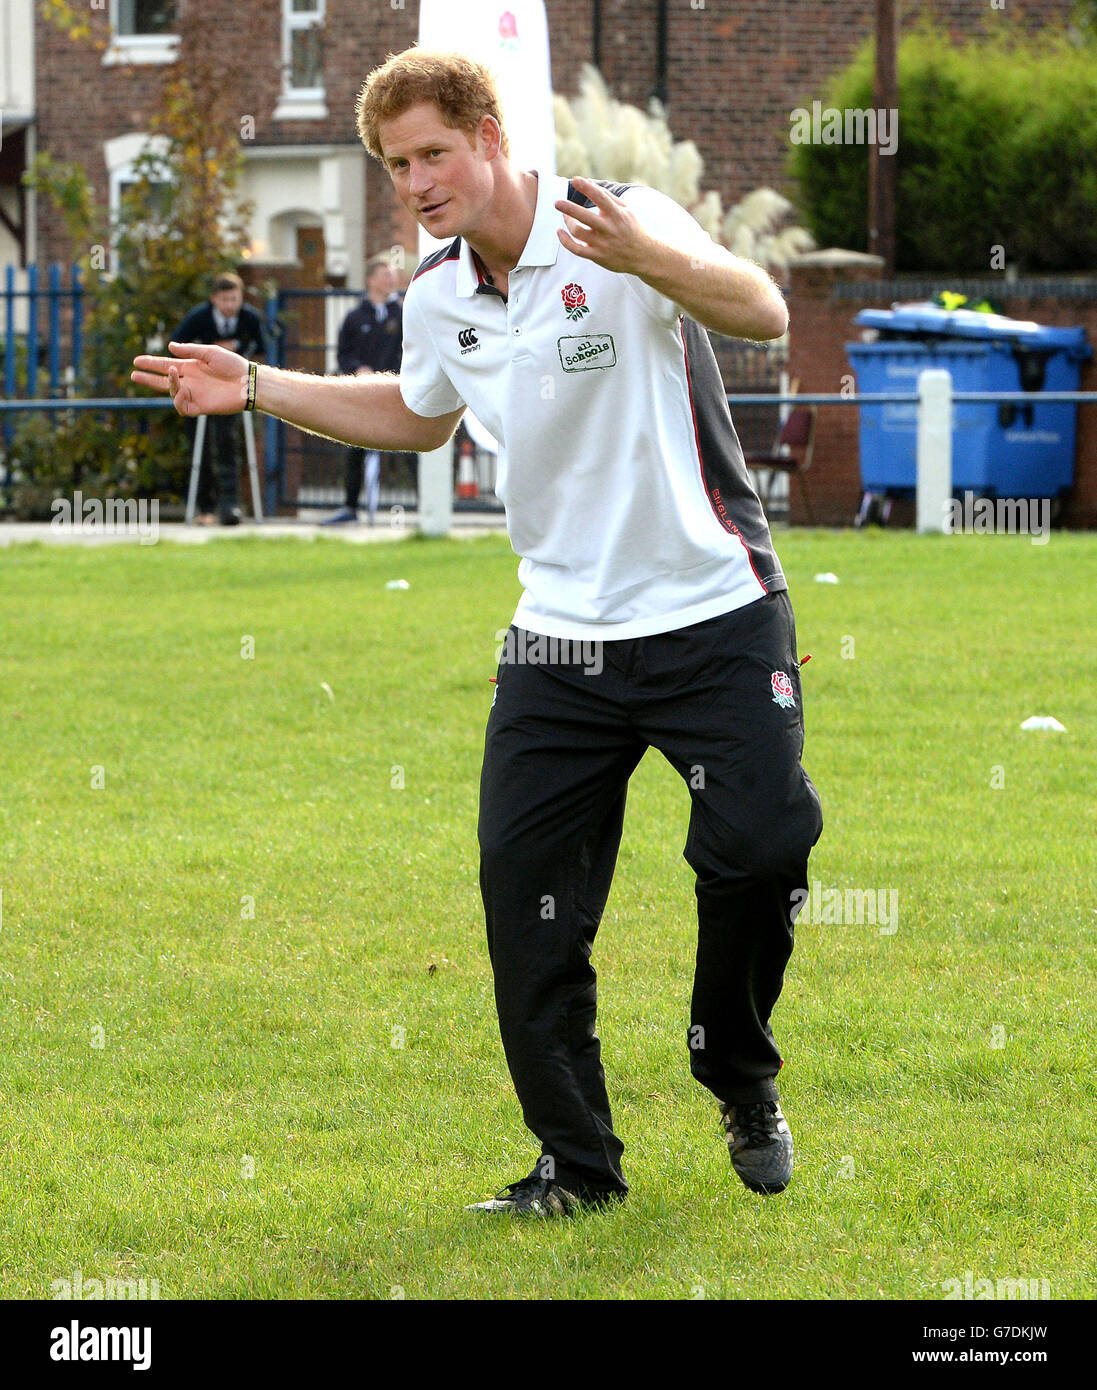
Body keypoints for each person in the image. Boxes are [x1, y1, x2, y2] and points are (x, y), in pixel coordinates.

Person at [132, 48, 823, 1219]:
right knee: (525, 901)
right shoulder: (439, 294)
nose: (414, 181)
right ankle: (578, 1168)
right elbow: (413, 412)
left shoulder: (610, 219)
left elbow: (758, 310)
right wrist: (254, 384)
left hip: (711, 607)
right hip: (556, 639)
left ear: (490, 135)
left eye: (432, 154)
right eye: (396, 165)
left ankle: (737, 1072)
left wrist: (648, 256)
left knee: (761, 849)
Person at [171, 272, 266, 525]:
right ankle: (205, 508)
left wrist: (238, 353)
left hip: (231, 390)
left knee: (228, 444)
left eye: (234, 299)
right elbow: (176, 345)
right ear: (214, 299)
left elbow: (261, 349)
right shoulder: (198, 318)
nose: (229, 305)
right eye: (224, 299)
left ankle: (230, 506)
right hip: (199, 388)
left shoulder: (250, 319)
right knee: (199, 446)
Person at [325, 255, 405, 525]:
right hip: (362, 395)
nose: (391, 280)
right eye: (385, 275)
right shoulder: (355, 317)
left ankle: (416, 506)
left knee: (410, 444)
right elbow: (344, 355)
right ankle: (350, 507)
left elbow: (411, 351)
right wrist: (359, 369)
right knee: (355, 447)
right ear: (371, 280)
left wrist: (393, 375)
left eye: (393, 275)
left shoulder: (404, 314)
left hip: (397, 392)